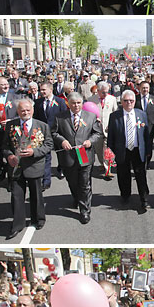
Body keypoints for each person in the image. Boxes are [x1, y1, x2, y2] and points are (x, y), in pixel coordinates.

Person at [0, 97, 52, 242]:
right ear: (18, 111)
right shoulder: (11, 125)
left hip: (34, 166)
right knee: (16, 196)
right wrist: (9, 156)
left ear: (33, 110)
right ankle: (17, 225)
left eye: (28, 110)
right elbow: (4, 146)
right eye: (22, 110)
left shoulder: (42, 125)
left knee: (36, 195)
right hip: (16, 167)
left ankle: (38, 219)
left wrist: (34, 152)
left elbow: (48, 145)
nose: (25, 112)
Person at [52, 90, 101, 225]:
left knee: (85, 183)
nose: (76, 106)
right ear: (68, 103)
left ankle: (85, 211)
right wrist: (62, 140)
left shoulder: (90, 116)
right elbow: (54, 133)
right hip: (68, 156)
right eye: (73, 103)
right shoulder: (60, 118)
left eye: (79, 103)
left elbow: (97, 133)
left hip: (85, 154)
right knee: (73, 182)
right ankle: (77, 197)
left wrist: (90, 141)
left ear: (82, 103)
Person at [106, 87, 154, 215]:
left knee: (141, 176)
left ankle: (144, 199)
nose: (129, 103)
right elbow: (111, 136)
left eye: (131, 101)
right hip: (122, 150)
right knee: (123, 175)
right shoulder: (114, 116)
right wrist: (110, 151)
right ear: (121, 102)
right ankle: (125, 196)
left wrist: (148, 150)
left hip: (138, 150)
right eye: (126, 101)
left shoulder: (141, 114)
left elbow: (146, 135)